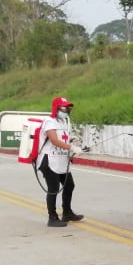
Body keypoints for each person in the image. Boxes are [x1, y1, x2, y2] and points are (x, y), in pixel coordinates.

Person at [37, 96, 84, 228]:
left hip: (61, 160)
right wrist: (72, 147)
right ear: (56, 108)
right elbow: (54, 140)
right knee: (53, 189)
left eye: (68, 108)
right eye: (64, 107)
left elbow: (62, 139)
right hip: (49, 160)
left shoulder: (64, 121)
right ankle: (52, 218)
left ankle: (67, 213)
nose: (67, 110)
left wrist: (71, 140)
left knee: (69, 185)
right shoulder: (49, 121)